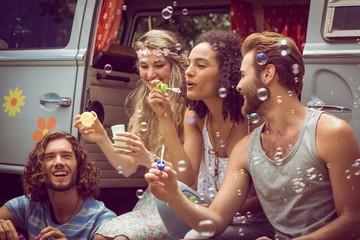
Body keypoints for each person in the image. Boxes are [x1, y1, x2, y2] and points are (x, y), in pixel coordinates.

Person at [145, 31, 360, 239]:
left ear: (268, 74)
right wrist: (173, 195)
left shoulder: (331, 132)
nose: (237, 86)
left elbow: (353, 222)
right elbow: (214, 221)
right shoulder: (246, 148)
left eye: (242, 76)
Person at [148, 29, 273, 239]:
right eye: (189, 64)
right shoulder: (196, 116)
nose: (188, 71)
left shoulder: (254, 122)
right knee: (166, 191)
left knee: (195, 237)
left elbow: (269, 195)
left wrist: (219, 208)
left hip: (251, 222)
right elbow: (186, 177)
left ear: (227, 73)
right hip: (205, 213)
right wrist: (165, 118)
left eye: (200, 65)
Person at [74, 29, 187, 239]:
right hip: (153, 201)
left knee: (122, 237)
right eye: (144, 66)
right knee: (101, 234)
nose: (150, 74)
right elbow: (126, 167)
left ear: (175, 66)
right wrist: (101, 137)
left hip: (183, 201)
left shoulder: (190, 107)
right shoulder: (144, 107)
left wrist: (148, 159)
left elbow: (187, 176)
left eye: (159, 65)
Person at [0, 131, 116, 240]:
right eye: (50, 157)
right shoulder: (29, 205)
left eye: (66, 156)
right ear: (40, 168)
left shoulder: (102, 221)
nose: (58, 162)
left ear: (79, 165)